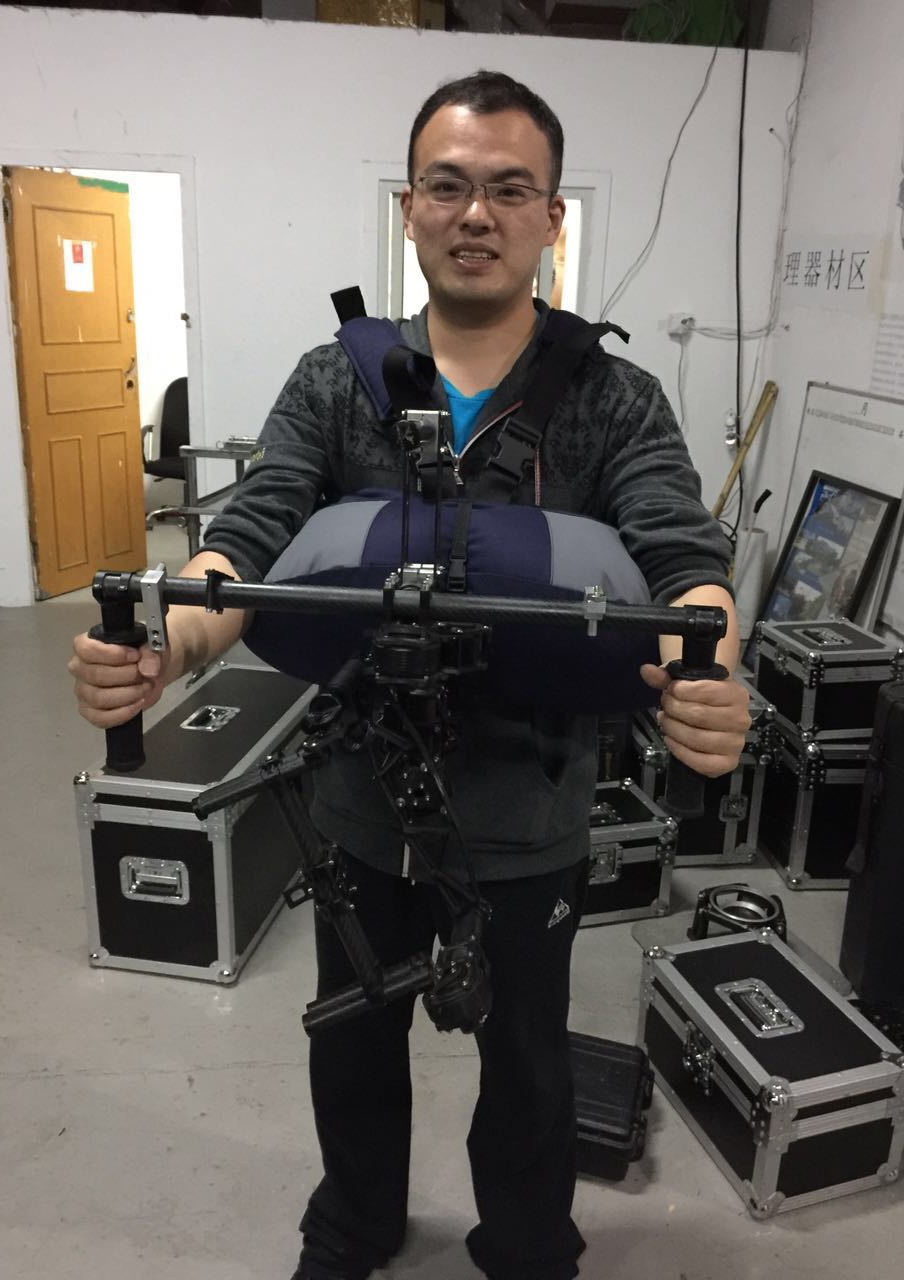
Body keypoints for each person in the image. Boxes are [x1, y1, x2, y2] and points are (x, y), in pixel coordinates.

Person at [70, 71, 750, 1280]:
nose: (476, 213)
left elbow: (683, 558)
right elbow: (253, 536)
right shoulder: (337, 380)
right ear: (409, 207)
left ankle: (529, 1246)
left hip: (532, 813)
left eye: (510, 189)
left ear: (550, 218)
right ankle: (354, 1224)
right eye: (448, 185)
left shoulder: (613, 396)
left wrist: (707, 671)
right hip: (358, 802)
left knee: (529, 1061)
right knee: (352, 1042)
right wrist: (164, 646)